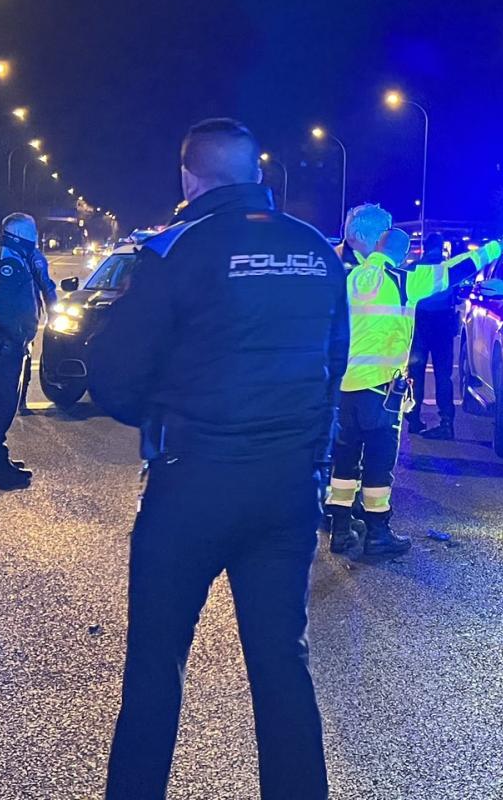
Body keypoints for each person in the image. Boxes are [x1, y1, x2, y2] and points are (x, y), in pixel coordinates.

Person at [87, 117, 347, 799]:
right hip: (288, 490)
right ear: (257, 176)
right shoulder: (316, 251)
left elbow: (113, 378)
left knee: (155, 670)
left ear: (188, 177)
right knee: (282, 667)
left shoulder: (176, 251)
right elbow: (333, 366)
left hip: (192, 486)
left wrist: (159, 407)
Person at [326, 207, 503, 555]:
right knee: (379, 463)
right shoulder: (404, 280)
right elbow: (455, 270)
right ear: (393, 247)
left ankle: (340, 530)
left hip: (346, 389)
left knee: (345, 461)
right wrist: (497, 248)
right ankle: (378, 534)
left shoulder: (351, 280)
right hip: (381, 391)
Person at [0, 214, 46, 486]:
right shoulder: (9, 262)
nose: (36, 238)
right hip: (3, 344)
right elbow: (0, 304)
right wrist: (16, 335)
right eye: (33, 232)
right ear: (21, 234)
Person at [405, 232, 459, 439]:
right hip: (443, 326)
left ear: (426, 248)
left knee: (415, 374)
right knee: (443, 376)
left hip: (419, 325)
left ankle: (414, 418)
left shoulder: (414, 268)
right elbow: (458, 296)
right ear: (441, 248)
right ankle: (446, 423)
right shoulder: (449, 268)